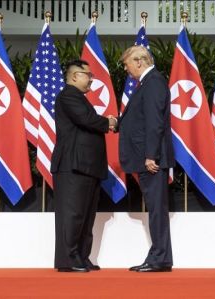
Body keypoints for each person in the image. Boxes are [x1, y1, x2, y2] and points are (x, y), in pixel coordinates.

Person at [51, 59, 117, 272]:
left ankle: (81, 257)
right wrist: (110, 122)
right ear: (74, 76)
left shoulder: (78, 97)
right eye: (88, 75)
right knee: (73, 214)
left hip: (87, 166)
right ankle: (68, 260)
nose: (91, 79)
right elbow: (86, 119)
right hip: (72, 165)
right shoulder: (69, 95)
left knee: (86, 216)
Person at [117, 45, 175, 272]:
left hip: (150, 159)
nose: (126, 68)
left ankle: (159, 258)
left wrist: (151, 155)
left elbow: (154, 122)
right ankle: (161, 257)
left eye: (127, 64)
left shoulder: (154, 83)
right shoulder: (149, 83)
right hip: (147, 156)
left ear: (139, 62)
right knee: (155, 208)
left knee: (156, 209)